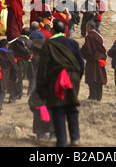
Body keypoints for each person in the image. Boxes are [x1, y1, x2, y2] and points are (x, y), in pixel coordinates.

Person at [36, 19, 84, 147]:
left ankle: (61, 142)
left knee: (58, 109)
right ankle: (75, 138)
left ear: (52, 30)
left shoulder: (48, 44)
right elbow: (81, 64)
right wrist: (76, 79)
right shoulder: (73, 43)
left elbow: (43, 68)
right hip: (72, 77)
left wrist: (42, 87)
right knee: (72, 106)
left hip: (56, 78)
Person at [0, 39, 19, 113]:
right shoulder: (8, 54)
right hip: (3, 72)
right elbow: (13, 66)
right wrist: (16, 76)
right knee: (2, 90)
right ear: (6, 45)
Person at [80, 20, 107, 101]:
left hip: (93, 60)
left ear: (88, 26)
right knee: (99, 79)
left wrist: (82, 54)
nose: (85, 28)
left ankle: (92, 96)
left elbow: (88, 49)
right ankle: (99, 97)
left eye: (86, 26)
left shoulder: (89, 36)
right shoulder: (99, 35)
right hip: (100, 60)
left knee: (92, 78)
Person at [11, 27, 34, 100]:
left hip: (14, 61)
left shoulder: (15, 41)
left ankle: (18, 93)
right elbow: (30, 53)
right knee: (20, 78)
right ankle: (18, 94)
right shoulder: (29, 42)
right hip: (23, 62)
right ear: (29, 34)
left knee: (16, 77)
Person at [28, 22, 46, 95]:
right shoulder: (41, 34)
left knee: (31, 73)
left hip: (30, 55)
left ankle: (30, 90)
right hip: (39, 55)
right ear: (38, 27)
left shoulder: (29, 34)